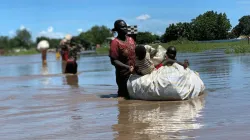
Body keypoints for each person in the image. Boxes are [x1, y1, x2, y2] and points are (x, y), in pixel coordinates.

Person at [109, 19, 136, 98]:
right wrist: (128, 67)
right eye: (123, 27)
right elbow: (113, 61)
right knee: (124, 99)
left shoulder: (131, 39)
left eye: (126, 27)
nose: (126, 29)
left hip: (134, 73)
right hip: (123, 76)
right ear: (117, 30)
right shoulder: (115, 43)